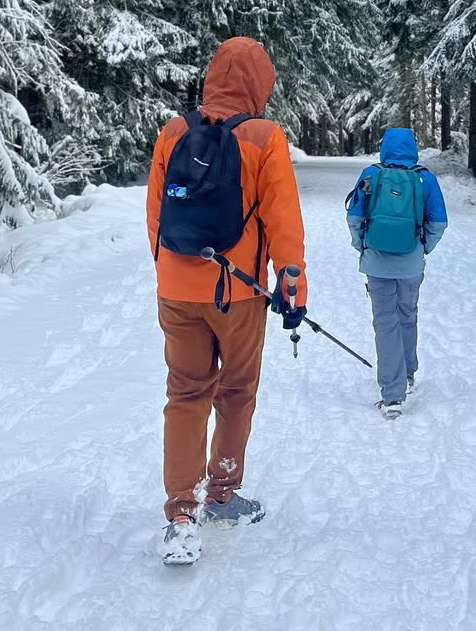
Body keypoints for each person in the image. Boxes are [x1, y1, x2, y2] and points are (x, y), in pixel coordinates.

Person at [146, 37, 307, 565]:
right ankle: (221, 493)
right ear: (259, 85)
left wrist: (168, 274)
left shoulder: (173, 131)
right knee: (235, 393)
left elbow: (156, 218)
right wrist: (292, 292)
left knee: (185, 394)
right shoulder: (264, 137)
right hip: (236, 292)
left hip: (176, 290)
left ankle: (180, 512)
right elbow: (284, 226)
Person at [346, 128, 447, 419]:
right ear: (413, 148)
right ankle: (409, 372)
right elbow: (438, 222)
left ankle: (392, 396)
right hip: (411, 263)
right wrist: (422, 247)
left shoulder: (371, 174)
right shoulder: (424, 178)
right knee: (408, 314)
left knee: (385, 322)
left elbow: (354, 217)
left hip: (377, 263)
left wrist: (362, 247)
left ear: (385, 148)